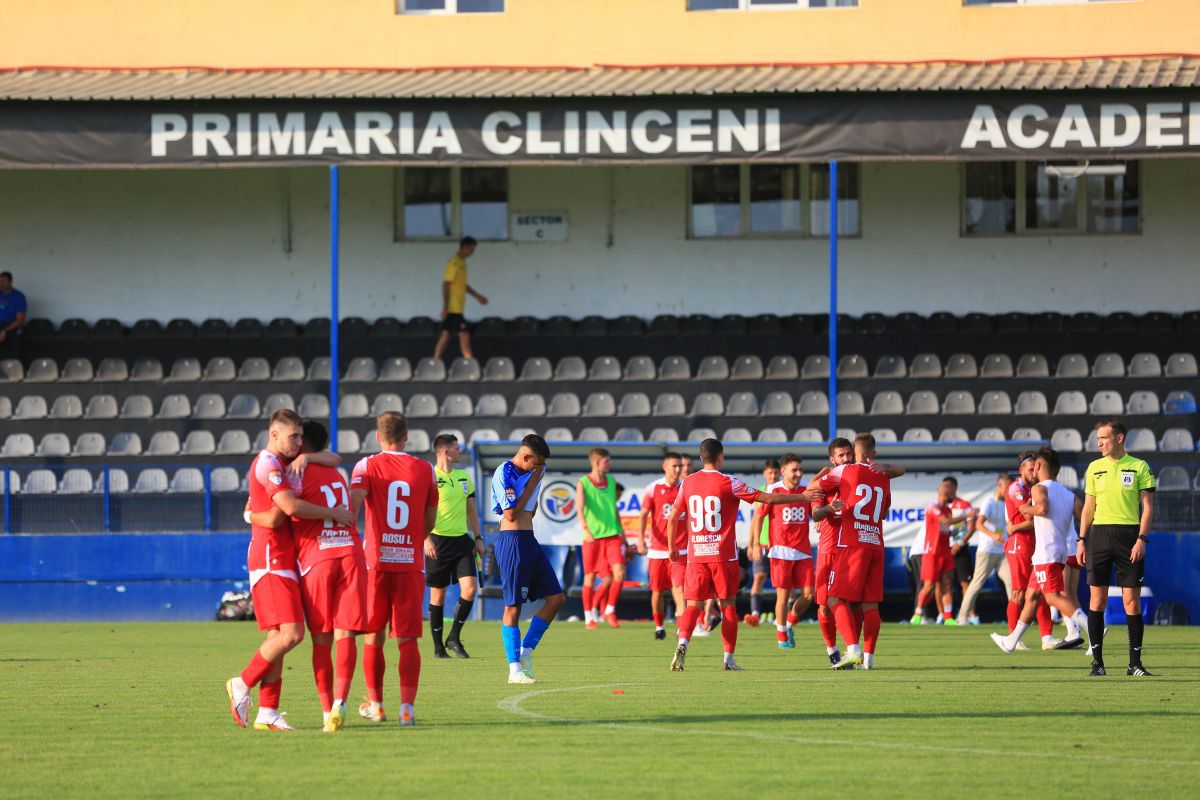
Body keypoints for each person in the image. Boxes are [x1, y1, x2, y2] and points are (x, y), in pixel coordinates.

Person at [226, 410, 352, 731]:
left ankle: (268, 711)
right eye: (293, 436)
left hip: (283, 558)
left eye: (300, 436)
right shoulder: (269, 464)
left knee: (278, 636)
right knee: (293, 634)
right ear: (274, 435)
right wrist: (334, 513)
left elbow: (333, 456)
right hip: (271, 558)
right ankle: (242, 681)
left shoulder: (287, 463)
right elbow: (286, 511)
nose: (298, 442)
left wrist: (307, 458)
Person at [665, 438, 822, 672]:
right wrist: (803, 497)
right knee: (728, 605)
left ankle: (682, 642)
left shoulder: (687, 483)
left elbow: (673, 517)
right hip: (723, 556)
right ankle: (728, 660)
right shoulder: (729, 482)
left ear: (701, 457)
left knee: (692, 605)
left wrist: (672, 547)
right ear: (720, 457)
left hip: (696, 554)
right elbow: (767, 498)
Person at [350, 411, 440, 727]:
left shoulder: (366, 466)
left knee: (373, 637)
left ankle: (376, 705)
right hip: (410, 564)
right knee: (408, 639)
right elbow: (430, 519)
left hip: (375, 563)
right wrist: (414, 536)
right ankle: (407, 709)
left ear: (378, 436)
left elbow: (354, 505)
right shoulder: (425, 470)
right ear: (406, 436)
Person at [992, 447, 1091, 654]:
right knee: (1032, 596)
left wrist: (1024, 509)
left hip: (1046, 552)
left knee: (1053, 597)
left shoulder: (1038, 488)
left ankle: (1093, 629)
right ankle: (1011, 641)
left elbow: (1042, 509)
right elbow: (1085, 516)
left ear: (1038, 466)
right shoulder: (1068, 493)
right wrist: (1081, 539)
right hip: (1055, 552)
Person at [1077, 420, 1156, 677]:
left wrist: (1141, 539)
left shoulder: (1139, 466)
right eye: (1097, 438)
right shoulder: (1094, 467)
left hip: (1129, 536)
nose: (1099, 442)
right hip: (1099, 536)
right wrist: (1081, 539)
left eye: (1104, 437)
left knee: (1131, 601)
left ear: (1119, 438)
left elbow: (1148, 508)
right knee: (1096, 600)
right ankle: (1097, 663)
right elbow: (1088, 508)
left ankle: (1135, 664)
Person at [490, 434, 566, 684]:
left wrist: (534, 483)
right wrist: (532, 484)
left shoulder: (531, 474)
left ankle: (525, 653)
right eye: (537, 464)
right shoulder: (505, 471)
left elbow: (530, 511)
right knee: (513, 606)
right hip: (512, 543)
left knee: (557, 598)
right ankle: (514, 670)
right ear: (526, 456)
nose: (539, 469)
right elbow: (510, 514)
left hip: (529, 540)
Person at [819, 434, 895, 671]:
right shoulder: (883, 476)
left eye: (849, 453)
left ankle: (852, 649)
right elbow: (884, 512)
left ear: (855, 452)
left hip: (852, 545)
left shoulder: (846, 472)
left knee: (833, 599)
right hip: (876, 543)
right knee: (870, 606)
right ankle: (869, 659)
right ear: (874, 453)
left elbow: (814, 487)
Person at [427, 433, 484, 659]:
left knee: (470, 589)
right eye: (457, 449)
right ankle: (438, 647)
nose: (460, 452)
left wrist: (478, 538)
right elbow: (419, 510)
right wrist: (424, 538)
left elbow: (471, 510)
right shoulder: (429, 476)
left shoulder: (464, 477)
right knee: (438, 596)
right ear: (445, 451)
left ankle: (454, 637)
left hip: (462, 541)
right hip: (437, 541)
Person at [748, 454, 813, 650]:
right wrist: (757, 544)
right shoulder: (773, 491)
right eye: (794, 470)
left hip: (803, 550)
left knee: (811, 594)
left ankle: (790, 622)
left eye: (800, 470)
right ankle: (781, 632)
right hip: (780, 551)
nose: (799, 474)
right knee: (783, 596)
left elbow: (814, 513)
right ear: (783, 471)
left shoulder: (807, 491)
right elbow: (759, 517)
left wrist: (820, 518)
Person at [1005, 452, 1058, 649]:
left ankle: (1047, 637)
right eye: (1030, 469)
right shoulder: (1016, 489)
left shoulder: (1037, 489)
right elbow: (1029, 517)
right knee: (1018, 592)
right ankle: (1013, 637)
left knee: (1042, 590)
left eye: (1036, 468)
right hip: (1019, 545)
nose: (1034, 473)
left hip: (1035, 543)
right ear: (1021, 470)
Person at [637, 452, 687, 641]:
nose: (677, 469)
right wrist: (641, 540)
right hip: (657, 550)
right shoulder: (653, 488)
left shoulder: (686, 488)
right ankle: (659, 626)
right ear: (664, 466)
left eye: (680, 466)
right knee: (657, 592)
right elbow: (643, 514)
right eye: (674, 466)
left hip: (681, 549)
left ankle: (681, 629)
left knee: (679, 589)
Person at [911, 479, 974, 625]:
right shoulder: (932, 507)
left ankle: (948, 617)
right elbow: (946, 522)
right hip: (932, 552)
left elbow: (949, 529)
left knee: (947, 583)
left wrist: (960, 537)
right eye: (951, 493)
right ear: (943, 493)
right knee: (929, 586)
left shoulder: (948, 509)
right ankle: (918, 613)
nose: (953, 496)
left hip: (945, 551)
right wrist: (967, 515)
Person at [576, 448, 625, 629]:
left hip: (613, 536)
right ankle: (589, 616)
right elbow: (579, 510)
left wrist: (623, 535)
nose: (609, 464)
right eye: (607, 461)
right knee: (589, 577)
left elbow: (614, 509)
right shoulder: (583, 483)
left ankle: (609, 610)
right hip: (592, 538)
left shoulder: (611, 482)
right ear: (596, 463)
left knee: (619, 573)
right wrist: (586, 529)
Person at [957, 473, 1013, 625]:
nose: (1009, 490)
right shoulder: (989, 501)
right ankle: (962, 617)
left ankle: (1017, 619)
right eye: (1007, 487)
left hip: (1002, 551)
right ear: (999, 486)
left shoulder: (1009, 503)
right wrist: (994, 535)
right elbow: (978, 524)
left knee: (1011, 584)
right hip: (987, 551)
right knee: (976, 584)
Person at [434, 236, 488, 360]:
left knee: (446, 336)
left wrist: (478, 296)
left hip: (458, 307)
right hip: (453, 308)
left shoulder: (463, 263)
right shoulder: (454, 262)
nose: (473, 252)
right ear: (465, 247)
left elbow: (463, 286)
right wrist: (445, 307)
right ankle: (470, 363)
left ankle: (435, 362)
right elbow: (446, 284)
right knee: (464, 335)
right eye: (472, 249)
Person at [744, 458, 781, 628]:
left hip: (779, 544)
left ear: (779, 473)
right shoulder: (759, 492)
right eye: (770, 473)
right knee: (758, 577)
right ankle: (755, 614)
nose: (772, 476)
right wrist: (752, 544)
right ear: (765, 474)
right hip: (763, 543)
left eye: (775, 473)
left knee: (782, 582)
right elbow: (755, 521)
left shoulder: (782, 492)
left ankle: (781, 616)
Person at [944, 477, 978, 620]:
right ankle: (947, 617)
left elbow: (971, 528)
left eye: (948, 486)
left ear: (954, 488)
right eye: (943, 486)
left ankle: (971, 616)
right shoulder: (940, 506)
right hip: (945, 549)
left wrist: (960, 543)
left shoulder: (964, 505)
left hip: (960, 549)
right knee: (946, 583)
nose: (945, 489)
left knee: (965, 583)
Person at [0, 271, 27, 359]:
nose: (1, 284)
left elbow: (20, 321)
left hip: (12, 326)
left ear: (10, 282)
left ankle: (15, 368)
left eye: (4, 281)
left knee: (16, 344)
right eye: (0, 281)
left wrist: (4, 331)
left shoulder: (18, 296)